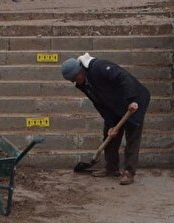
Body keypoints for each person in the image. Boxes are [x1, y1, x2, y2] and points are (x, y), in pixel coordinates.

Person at [60, 53, 150, 185]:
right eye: (72, 80)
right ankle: (111, 168)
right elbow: (99, 104)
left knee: (132, 136)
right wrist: (110, 123)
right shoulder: (84, 84)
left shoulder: (99, 67)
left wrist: (132, 99)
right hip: (114, 105)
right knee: (110, 134)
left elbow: (123, 77)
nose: (75, 82)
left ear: (80, 71)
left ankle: (128, 172)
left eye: (74, 78)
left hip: (134, 101)